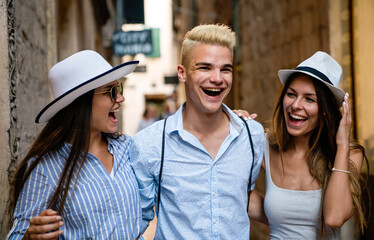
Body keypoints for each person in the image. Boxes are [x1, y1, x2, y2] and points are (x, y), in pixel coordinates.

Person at [130, 24, 264, 239]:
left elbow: (243, 197)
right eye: (205, 68)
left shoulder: (251, 136)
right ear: (182, 73)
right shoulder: (150, 144)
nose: (217, 78)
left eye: (225, 69)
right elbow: (134, 222)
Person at [7, 50, 142, 240]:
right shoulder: (46, 170)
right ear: (81, 103)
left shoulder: (127, 148)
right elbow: (17, 235)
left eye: (118, 88)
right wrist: (29, 237)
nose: (120, 98)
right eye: (110, 91)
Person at [241, 51, 370, 239]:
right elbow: (233, 194)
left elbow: (334, 218)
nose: (295, 105)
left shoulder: (349, 155)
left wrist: (341, 145)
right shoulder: (264, 147)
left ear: (325, 111)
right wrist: (236, 127)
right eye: (291, 94)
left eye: (309, 99)